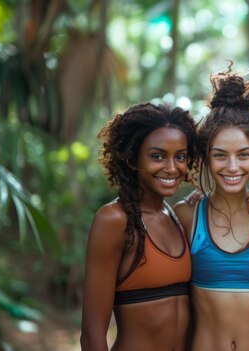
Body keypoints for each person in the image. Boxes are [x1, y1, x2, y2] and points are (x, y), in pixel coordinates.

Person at [173, 65, 249, 351]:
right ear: (205, 156)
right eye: (220, 156)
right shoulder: (187, 215)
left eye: (243, 155)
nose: (233, 167)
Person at [80, 102, 197, 351]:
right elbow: (92, 335)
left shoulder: (174, 216)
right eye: (157, 156)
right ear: (132, 158)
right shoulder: (115, 220)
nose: (171, 168)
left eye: (180, 157)